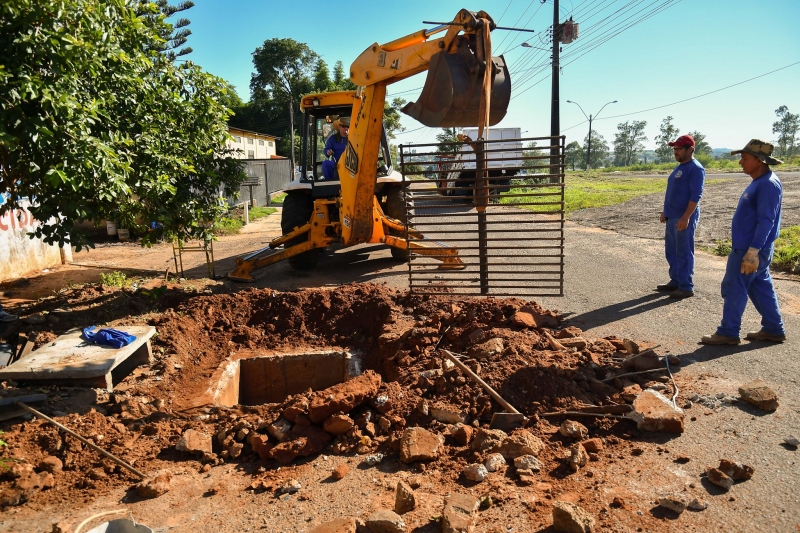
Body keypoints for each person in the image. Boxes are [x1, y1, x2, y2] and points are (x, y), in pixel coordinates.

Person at [701, 139, 785, 345]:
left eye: (745, 158)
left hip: (750, 249)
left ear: (759, 160)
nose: (741, 162)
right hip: (754, 248)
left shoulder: (767, 184)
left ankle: (728, 332)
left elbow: (767, 220)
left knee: (735, 287)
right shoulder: (760, 181)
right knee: (760, 287)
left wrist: (752, 252)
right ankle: (774, 329)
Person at [657, 134, 705, 299]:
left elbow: (696, 196)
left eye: (678, 149)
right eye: (674, 149)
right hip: (672, 216)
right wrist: (666, 211)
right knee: (671, 251)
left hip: (683, 217)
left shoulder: (695, 168)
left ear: (690, 149)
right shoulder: (679, 167)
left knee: (683, 251)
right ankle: (676, 281)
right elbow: (673, 193)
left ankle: (686, 286)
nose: (675, 152)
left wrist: (686, 217)